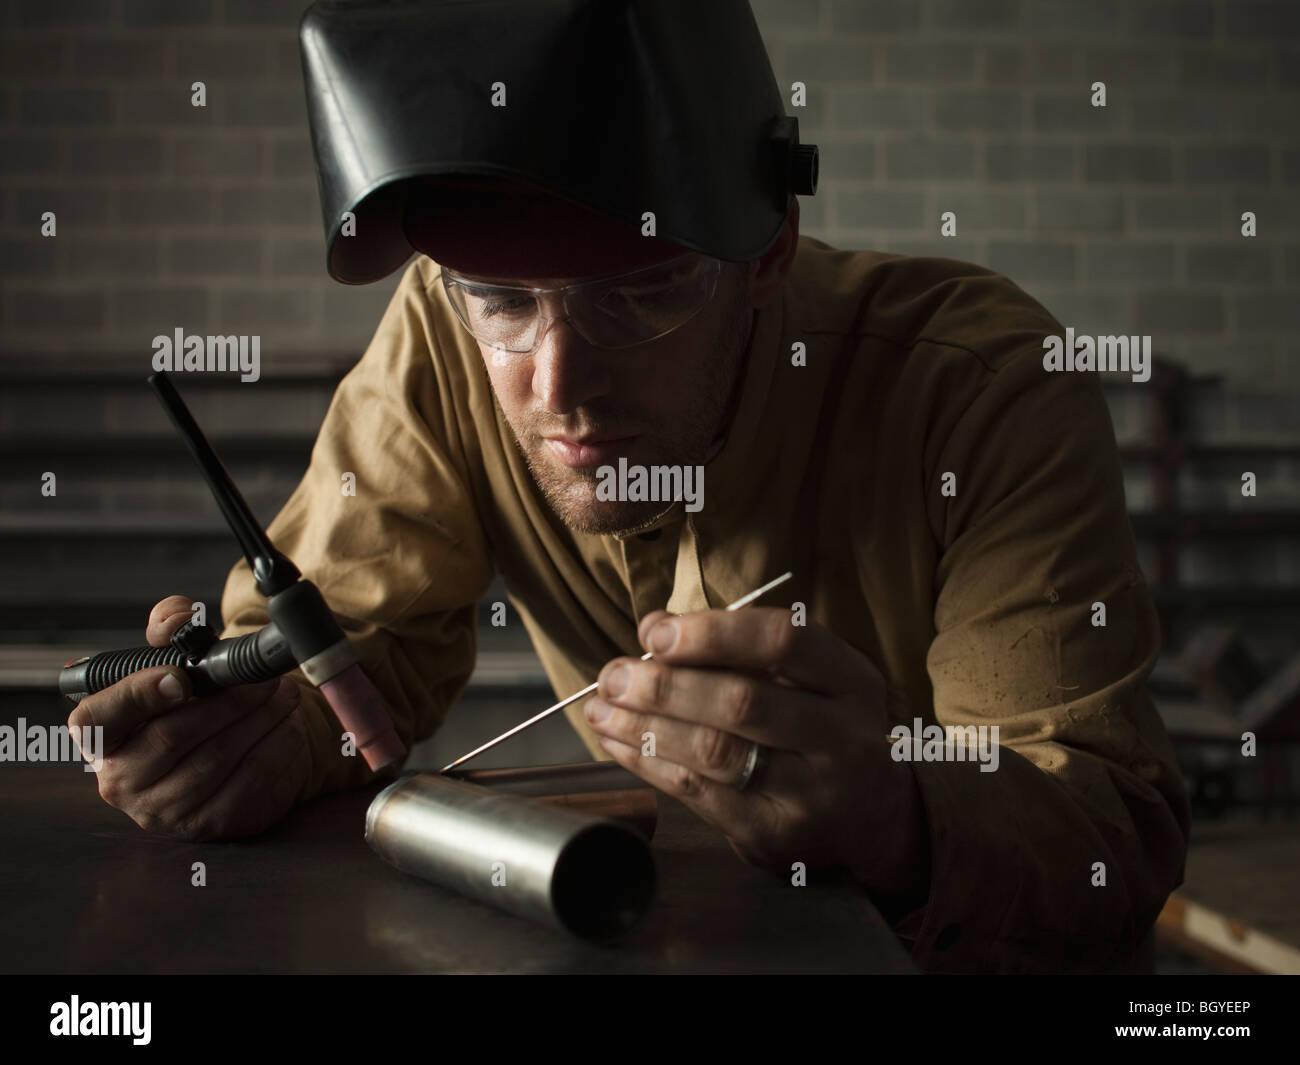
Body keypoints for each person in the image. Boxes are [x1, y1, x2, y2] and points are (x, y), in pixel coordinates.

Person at [66, 0, 1189, 973]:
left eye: (638, 297)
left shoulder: (979, 384)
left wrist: (897, 814)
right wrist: (252, 737)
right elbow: (349, 658)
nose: (559, 388)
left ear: (765, 255)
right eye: (504, 298)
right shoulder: (446, 330)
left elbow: (1110, 835)